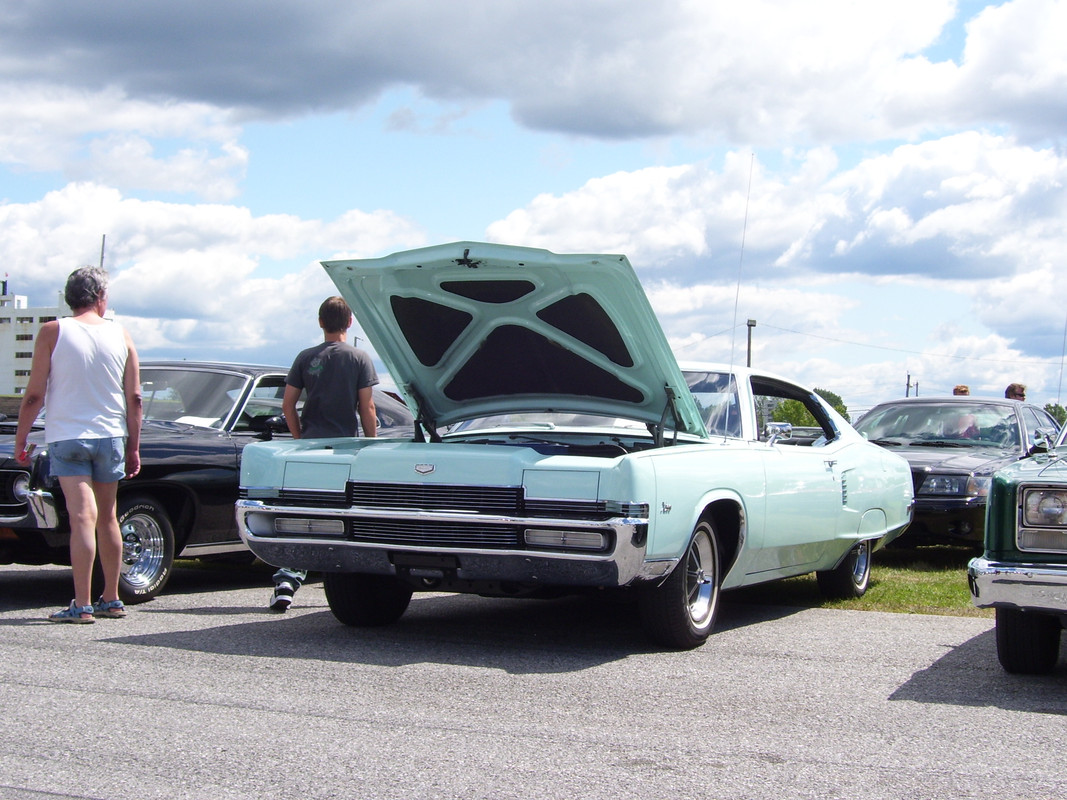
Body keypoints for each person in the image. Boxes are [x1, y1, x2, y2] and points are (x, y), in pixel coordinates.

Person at [15, 266, 142, 623]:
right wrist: (134, 445)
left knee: (82, 517)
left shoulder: (53, 331)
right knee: (108, 518)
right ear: (101, 298)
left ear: (70, 298)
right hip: (111, 435)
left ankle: (82, 604)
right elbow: (134, 396)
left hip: (68, 435)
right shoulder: (122, 335)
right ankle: (112, 598)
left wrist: (21, 436)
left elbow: (34, 394)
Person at [269, 296, 378, 611]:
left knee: (304, 512)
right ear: (350, 323)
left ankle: (287, 580)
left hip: (310, 446)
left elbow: (288, 405)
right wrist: (370, 445)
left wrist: (299, 437)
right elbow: (367, 406)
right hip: (345, 450)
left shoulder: (305, 357)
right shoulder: (359, 358)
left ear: (320, 322)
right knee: (340, 513)